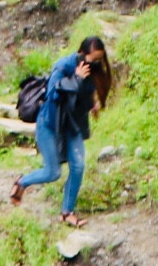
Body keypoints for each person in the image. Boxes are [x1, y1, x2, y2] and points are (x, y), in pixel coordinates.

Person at [9, 34, 115, 226]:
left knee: (78, 166)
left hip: (72, 125)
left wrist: (92, 105)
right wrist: (76, 78)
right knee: (52, 172)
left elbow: (86, 91)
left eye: (100, 60)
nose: (97, 64)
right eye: (93, 60)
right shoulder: (64, 66)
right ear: (82, 54)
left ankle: (67, 212)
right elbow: (53, 93)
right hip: (51, 124)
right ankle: (22, 183)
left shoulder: (92, 71)